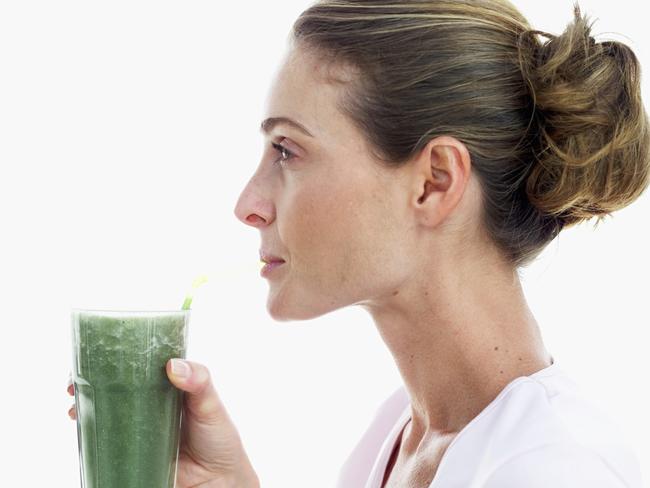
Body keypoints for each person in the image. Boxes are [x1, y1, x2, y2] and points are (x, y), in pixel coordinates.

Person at [67, 0, 649, 486]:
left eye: (287, 151)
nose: (248, 204)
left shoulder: (552, 469)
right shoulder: (399, 433)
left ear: (434, 182)